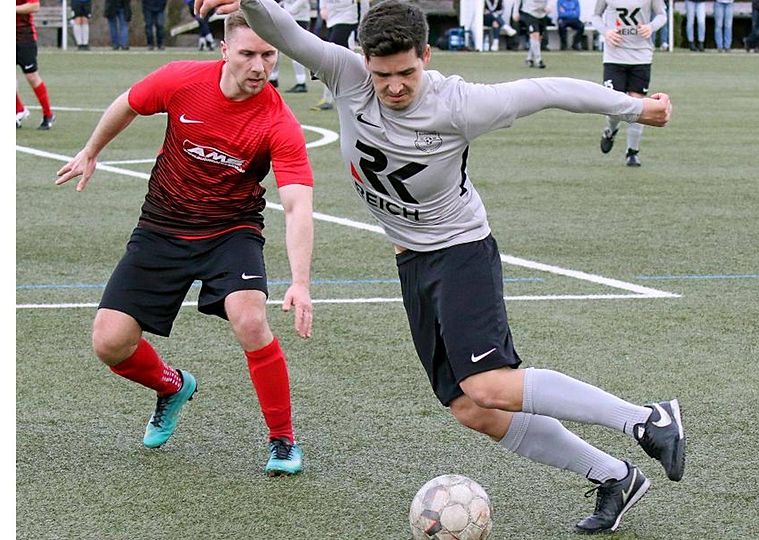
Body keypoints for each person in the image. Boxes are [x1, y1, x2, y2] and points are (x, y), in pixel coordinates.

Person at [195, 1, 683, 534]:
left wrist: (635, 109)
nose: (396, 86)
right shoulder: (345, 74)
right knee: (470, 407)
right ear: (364, 62)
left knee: (491, 384)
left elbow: (548, 90)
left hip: (461, 250)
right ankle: (615, 476)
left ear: (425, 55)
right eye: (383, 75)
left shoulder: (461, 104)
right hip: (412, 261)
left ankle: (645, 418)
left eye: (407, 71)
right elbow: (279, 29)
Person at [54, 9, 315, 476]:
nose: (259, 67)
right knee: (110, 343)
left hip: (231, 231)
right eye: (248, 54)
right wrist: (91, 151)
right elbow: (129, 102)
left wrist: (300, 280)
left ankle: (282, 440)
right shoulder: (181, 80)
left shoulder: (278, 121)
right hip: (162, 225)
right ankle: (173, 386)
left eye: (269, 55)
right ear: (223, 50)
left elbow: (296, 204)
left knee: (250, 319)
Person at [592, 0, 667, 167]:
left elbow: (662, 15)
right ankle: (610, 131)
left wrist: (651, 27)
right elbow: (596, 16)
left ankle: (632, 152)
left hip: (641, 56)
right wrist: (606, 32)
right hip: (614, 57)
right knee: (613, 106)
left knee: (637, 105)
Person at [311, 0, 369, 110]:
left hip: (347, 19)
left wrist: (363, 23)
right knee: (345, 59)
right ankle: (356, 91)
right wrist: (323, 8)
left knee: (332, 58)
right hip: (331, 20)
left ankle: (328, 98)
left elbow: (364, 4)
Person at [16, 0, 55, 130]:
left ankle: (48, 114)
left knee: (32, 77)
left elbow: (34, 5)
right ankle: (19, 110)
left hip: (24, 38)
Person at [268, 0, 311, 92]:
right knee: (275, 47)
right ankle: (273, 79)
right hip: (284, 18)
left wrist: (292, 9)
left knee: (296, 51)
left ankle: (301, 83)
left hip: (300, 19)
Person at [511, 0, 551, 68]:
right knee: (535, 36)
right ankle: (539, 60)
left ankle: (529, 58)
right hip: (529, 13)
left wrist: (548, 7)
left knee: (538, 38)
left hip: (542, 15)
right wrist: (515, 12)